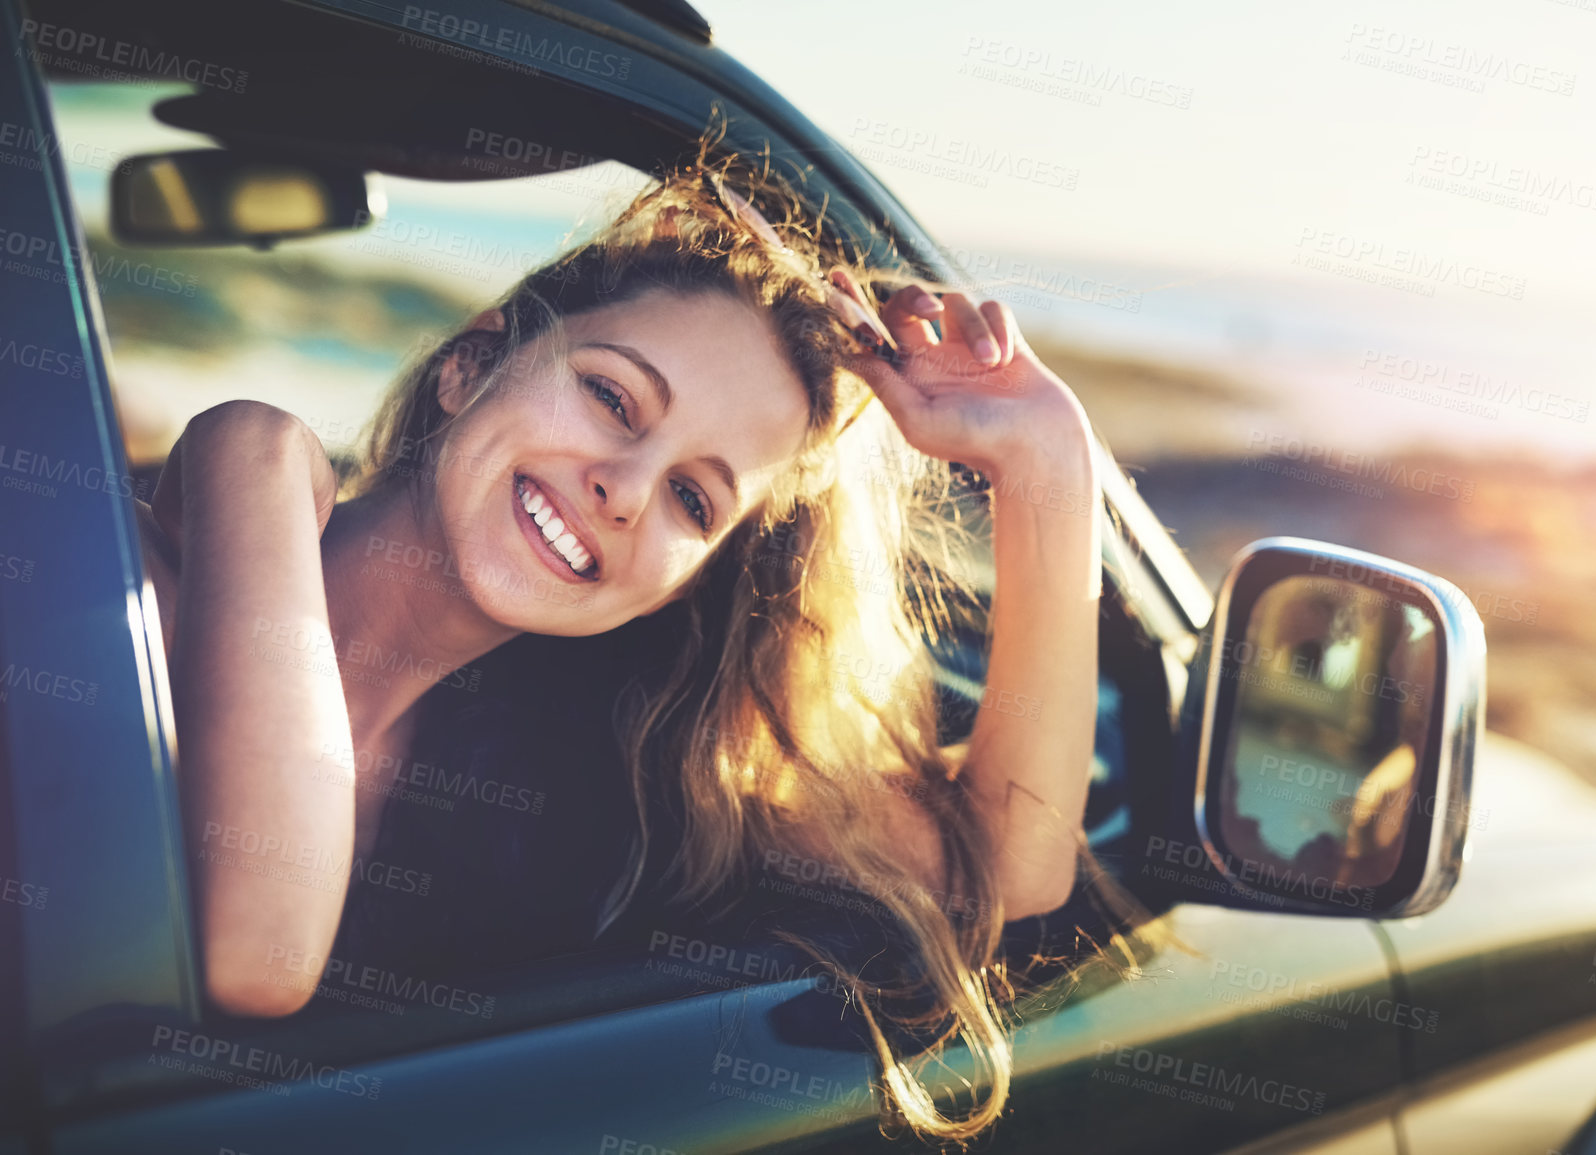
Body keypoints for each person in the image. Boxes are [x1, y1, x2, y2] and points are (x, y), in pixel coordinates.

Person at [135, 140, 1158, 1140]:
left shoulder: (602, 775)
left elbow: (1016, 869)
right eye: (613, 397)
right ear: (471, 362)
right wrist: (253, 448)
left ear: (683, 586)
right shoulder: (128, 593)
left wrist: (1047, 467)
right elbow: (258, 951)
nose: (624, 491)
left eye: (692, 497)